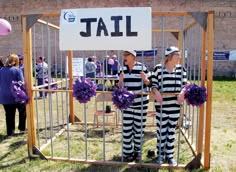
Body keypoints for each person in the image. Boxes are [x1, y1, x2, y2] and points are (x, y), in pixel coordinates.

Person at [150, 46, 187, 166]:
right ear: (170, 56)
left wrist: (182, 93)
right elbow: (153, 84)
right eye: (177, 54)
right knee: (161, 131)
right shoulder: (158, 69)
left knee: (171, 131)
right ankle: (160, 155)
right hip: (162, 105)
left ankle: (170, 155)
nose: (179, 57)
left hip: (175, 106)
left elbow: (185, 85)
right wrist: (156, 93)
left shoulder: (181, 70)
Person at [117, 50, 150, 162]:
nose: (124, 57)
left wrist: (145, 79)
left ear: (133, 57)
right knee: (127, 129)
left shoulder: (142, 67)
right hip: (127, 105)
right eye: (124, 55)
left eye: (126, 55)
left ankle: (138, 152)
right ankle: (127, 153)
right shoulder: (122, 69)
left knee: (139, 129)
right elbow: (119, 87)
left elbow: (149, 83)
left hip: (141, 104)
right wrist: (120, 79)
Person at [0, 53, 26, 137]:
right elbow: (21, 83)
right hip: (16, 95)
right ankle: (22, 128)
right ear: (15, 61)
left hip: (4, 96)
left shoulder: (1, 70)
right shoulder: (17, 70)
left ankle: (10, 133)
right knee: (22, 112)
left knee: (9, 115)